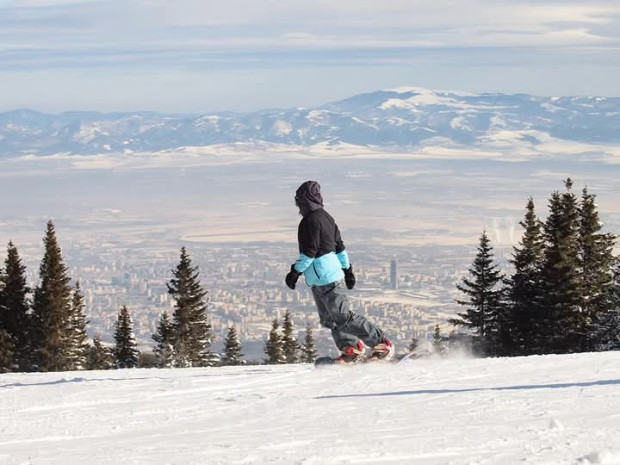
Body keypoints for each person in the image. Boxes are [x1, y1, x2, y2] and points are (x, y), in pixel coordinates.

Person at [285, 180, 394, 363]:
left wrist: (294, 272)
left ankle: (381, 342)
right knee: (330, 319)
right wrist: (348, 269)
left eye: (299, 202)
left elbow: (309, 252)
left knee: (343, 317)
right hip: (320, 279)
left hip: (327, 278)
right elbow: (340, 247)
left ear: (305, 201)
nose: (298, 206)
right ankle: (350, 348)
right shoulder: (327, 217)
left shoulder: (309, 222)